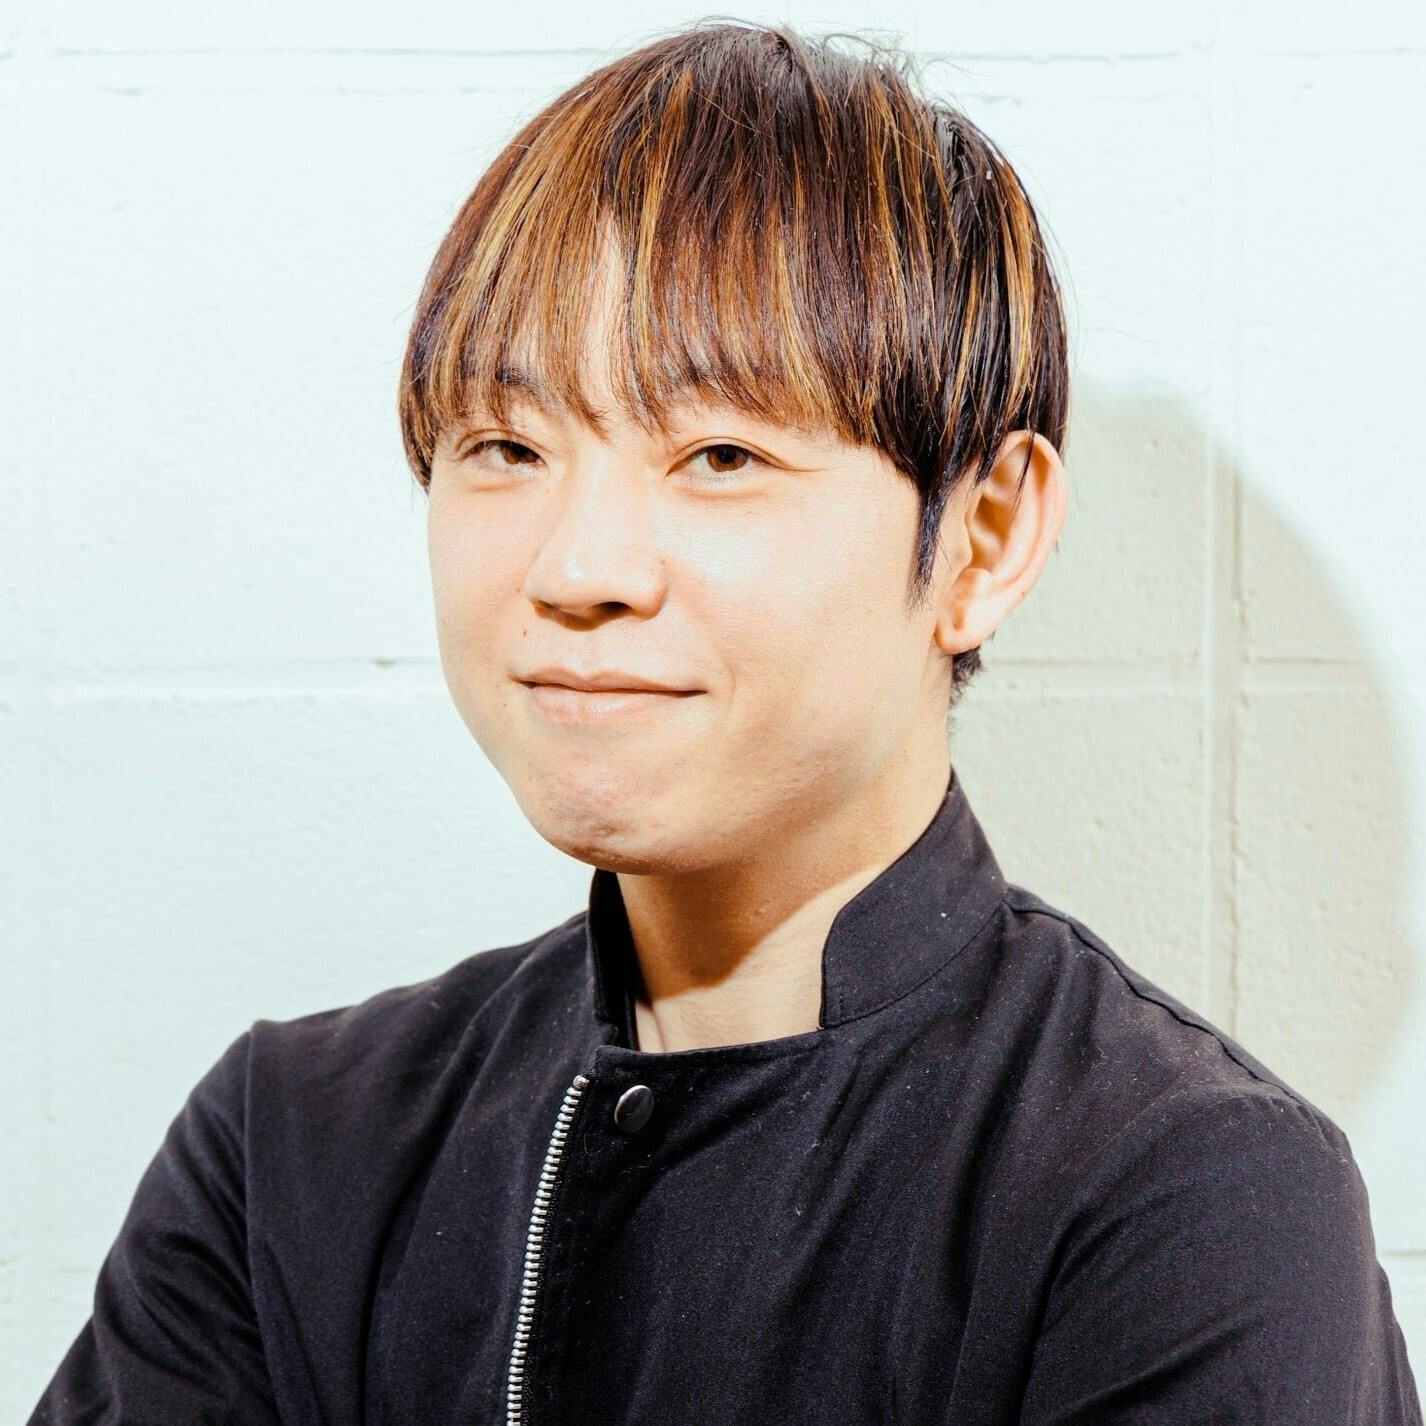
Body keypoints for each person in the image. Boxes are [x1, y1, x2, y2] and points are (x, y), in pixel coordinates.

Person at [30, 18, 1422, 1425]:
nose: (578, 568)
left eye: (719, 455)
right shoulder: (290, 1151)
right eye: (506, 447)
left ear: (984, 538)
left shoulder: (1183, 1198)